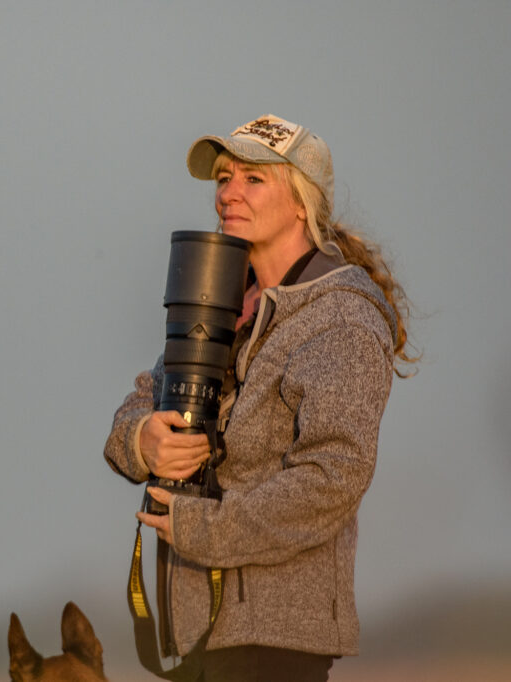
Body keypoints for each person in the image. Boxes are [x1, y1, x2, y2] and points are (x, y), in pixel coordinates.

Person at [104, 115, 416, 681]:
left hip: (275, 644)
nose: (228, 193)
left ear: (301, 202)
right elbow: (142, 401)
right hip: (201, 636)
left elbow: (333, 477)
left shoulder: (341, 318)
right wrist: (143, 441)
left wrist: (209, 530)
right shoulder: (222, 307)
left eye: (253, 179)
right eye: (224, 178)